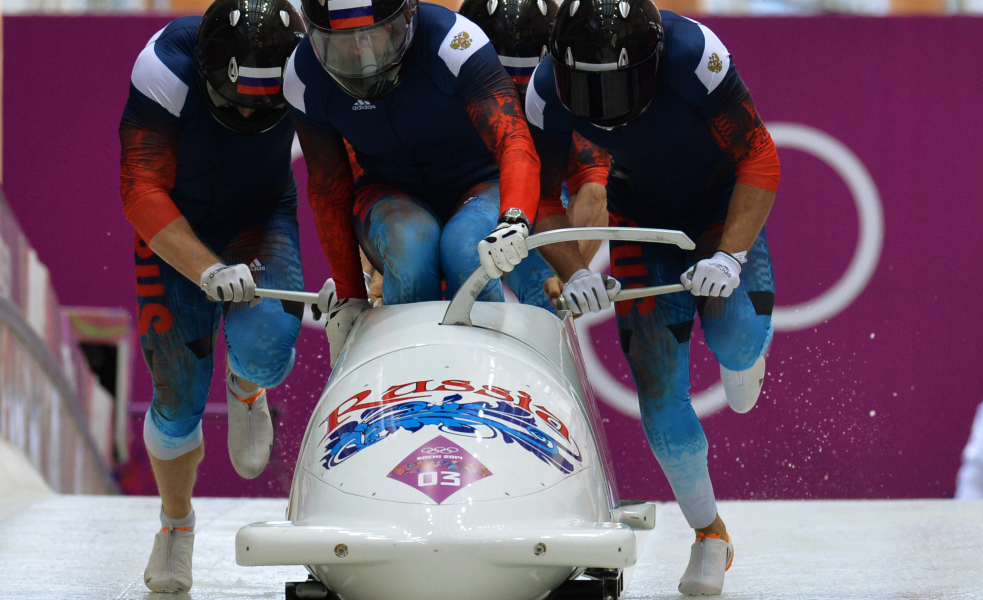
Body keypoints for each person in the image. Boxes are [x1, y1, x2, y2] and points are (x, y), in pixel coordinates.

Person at [525, 0, 780, 594]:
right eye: (587, 91)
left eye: (616, 87)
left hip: (719, 213)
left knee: (736, 340)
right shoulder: (545, 89)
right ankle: (710, 534)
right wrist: (577, 269)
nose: (605, 111)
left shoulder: (697, 56)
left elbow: (759, 154)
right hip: (639, 222)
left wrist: (731, 254)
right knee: (661, 396)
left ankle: (746, 352)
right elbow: (539, 197)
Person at [118, 0, 306, 591]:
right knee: (177, 399)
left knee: (270, 348)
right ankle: (176, 526)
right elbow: (141, 192)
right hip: (176, 229)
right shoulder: (163, 67)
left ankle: (248, 386)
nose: (251, 110)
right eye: (238, 99)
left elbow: (339, 171)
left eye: (264, 102)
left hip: (260, 216)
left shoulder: (312, 63)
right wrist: (204, 267)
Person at [285, 0, 542, 365]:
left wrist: (513, 218)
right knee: (411, 250)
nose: (364, 55)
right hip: (388, 190)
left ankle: (485, 371)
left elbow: (513, 139)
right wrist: (350, 294)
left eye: (373, 35)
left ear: (406, 19)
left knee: (467, 249)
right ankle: (407, 376)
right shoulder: (303, 75)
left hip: (479, 181)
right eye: (343, 40)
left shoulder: (454, 42)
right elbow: (329, 189)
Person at [457, 0, 611, 312]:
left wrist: (568, 274)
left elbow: (593, 191)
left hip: (539, 191)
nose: (512, 102)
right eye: (502, 87)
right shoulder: (443, 81)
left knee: (544, 284)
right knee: (458, 252)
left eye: (524, 88)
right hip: (465, 189)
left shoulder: (562, 90)